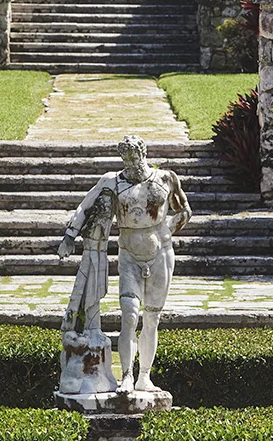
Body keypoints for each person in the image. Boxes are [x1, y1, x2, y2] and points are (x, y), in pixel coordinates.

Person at [57, 135, 191, 393]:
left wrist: (166, 230)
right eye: (126, 157)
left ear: (144, 152)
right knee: (129, 315)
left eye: (134, 155)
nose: (131, 161)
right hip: (129, 252)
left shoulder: (166, 178)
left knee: (152, 318)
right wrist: (69, 236)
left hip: (161, 253)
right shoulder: (113, 181)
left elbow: (184, 210)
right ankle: (127, 375)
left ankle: (145, 376)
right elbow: (85, 206)